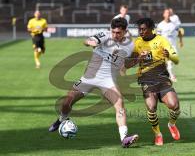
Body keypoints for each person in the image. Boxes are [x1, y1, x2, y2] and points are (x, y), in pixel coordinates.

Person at [48, 18, 138, 148]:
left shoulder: (130, 46)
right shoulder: (105, 35)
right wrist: (90, 42)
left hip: (108, 81)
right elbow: (87, 41)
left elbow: (127, 63)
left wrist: (138, 59)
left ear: (125, 31)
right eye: (113, 31)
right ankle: (61, 120)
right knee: (67, 101)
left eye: (118, 32)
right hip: (89, 78)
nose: (115, 35)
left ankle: (124, 138)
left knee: (120, 105)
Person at [125, 18, 181, 146]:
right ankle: (158, 134)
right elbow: (127, 64)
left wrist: (169, 55)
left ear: (151, 29)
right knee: (151, 107)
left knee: (175, 105)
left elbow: (176, 59)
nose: (141, 31)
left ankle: (171, 124)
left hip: (162, 77)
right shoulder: (137, 43)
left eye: (143, 29)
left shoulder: (161, 40)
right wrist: (139, 58)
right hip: (146, 79)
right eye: (139, 29)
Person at [157, 9, 183, 82]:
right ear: (164, 15)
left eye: (169, 13)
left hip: (173, 46)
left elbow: (179, 32)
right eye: (166, 13)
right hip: (164, 47)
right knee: (167, 63)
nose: (168, 14)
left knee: (172, 60)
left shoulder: (174, 25)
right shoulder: (160, 25)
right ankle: (171, 75)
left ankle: (169, 74)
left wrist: (181, 41)